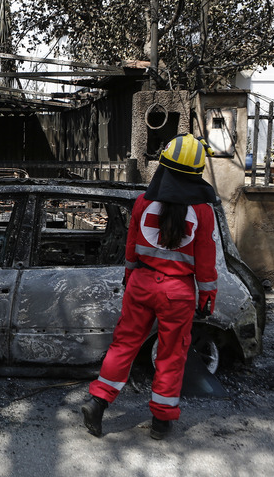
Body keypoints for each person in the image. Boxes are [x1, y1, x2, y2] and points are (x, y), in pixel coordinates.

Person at [81, 133, 218, 440]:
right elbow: (206, 261)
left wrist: (131, 279)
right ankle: (161, 421)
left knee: (124, 344)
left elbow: (131, 249)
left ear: (163, 167)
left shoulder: (143, 202)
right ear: (197, 174)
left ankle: (98, 401)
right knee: (171, 353)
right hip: (178, 292)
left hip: (141, 284)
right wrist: (208, 295)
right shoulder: (204, 212)